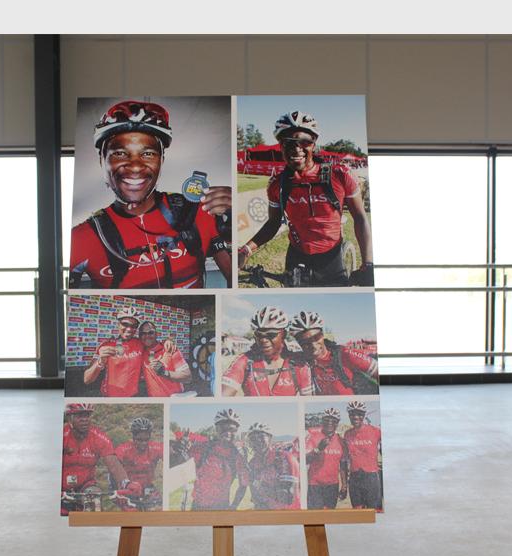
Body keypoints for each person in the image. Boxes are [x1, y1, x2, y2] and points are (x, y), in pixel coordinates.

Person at [70, 100, 232, 289]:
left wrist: (237, 219)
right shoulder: (81, 238)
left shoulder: (199, 211)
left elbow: (234, 274)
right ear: (102, 161)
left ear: (161, 160)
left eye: (148, 154)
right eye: (120, 153)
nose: (135, 166)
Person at [237, 110, 373, 287]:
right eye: (288, 142)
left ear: (314, 143)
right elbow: (273, 223)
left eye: (304, 141)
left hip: (331, 258)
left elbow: (360, 217)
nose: (296, 148)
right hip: (297, 256)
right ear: (280, 145)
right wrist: (246, 250)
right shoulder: (277, 184)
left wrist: (368, 263)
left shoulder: (340, 175)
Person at [61, 403, 137, 515]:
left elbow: (113, 464)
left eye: (87, 416)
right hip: (62, 487)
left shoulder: (97, 437)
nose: (84, 420)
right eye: (79, 416)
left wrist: (126, 483)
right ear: (70, 419)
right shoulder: (62, 435)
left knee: (94, 501)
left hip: (86, 485)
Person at [221, 306, 313, 396]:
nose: (264, 340)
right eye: (259, 335)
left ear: (283, 334)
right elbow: (224, 394)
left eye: (271, 335)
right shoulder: (244, 361)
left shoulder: (299, 364)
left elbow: (308, 401)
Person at [171, 409, 250, 511]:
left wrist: (234, 506)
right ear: (216, 429)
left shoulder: (237, 456)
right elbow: (175, 463)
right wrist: (177, 450)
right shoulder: (203, 448)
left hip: (221, 508)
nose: (228, 433)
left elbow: (243, 485)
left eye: (232, 429)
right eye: (223, 428)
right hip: (198, 507)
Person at [288, 310, 379, 395]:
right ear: (299, 343)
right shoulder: (303, 364)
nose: (313, 344)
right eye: (305, 342)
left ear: (322, 335)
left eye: (316, 337)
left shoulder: (344, 354)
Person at [82, 306, 145, 397]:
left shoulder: (141, 343)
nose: (129, 329)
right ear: (118, 324)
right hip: (110, 396)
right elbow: (87, 380)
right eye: (125, 324)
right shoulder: (106, 345)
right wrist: (100, 362)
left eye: (134, 326)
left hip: (133, 395)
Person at [246, 422, 300, 510]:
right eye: (253, 438)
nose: (257, 441)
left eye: (261, 436)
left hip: (287, 511)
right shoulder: (252, 463)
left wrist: (262, 487)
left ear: (270, 438)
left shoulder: (284, 457)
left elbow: (287, 496)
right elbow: (254, 494)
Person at [113, 417, 164, 510]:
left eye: (146, 439)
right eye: (139, 440)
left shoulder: (155, 447)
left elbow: (170, 454)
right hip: (129, 490)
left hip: (148, 489)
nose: (143, 443)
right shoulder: (124, 449)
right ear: (133, 437)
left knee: (158, 510)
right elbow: (114, 464)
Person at [305, 408, 349, 509]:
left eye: (333, 421)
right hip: (315, 484)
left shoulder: (341, 441)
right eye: (327, 420)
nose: (330, 423)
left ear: (337, 423)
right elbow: (305, 460)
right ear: (322, 421)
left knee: (329, 515)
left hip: (332, 485)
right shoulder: (313, 437)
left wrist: (344, 486)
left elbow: (343, 465)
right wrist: (318, 449)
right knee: (315, 516)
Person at [342, 400, 383, 510]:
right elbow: (344, 459)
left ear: (364, 415)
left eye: (359, 414)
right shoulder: (347, 434)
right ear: (349, 416)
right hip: (354, 478)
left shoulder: (375, 431)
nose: (356, 417)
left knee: (374, 511)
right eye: (352, 414)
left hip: (371, 477)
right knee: (357, 511)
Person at [139, 321, 191, 396]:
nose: (147, 336)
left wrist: (164, 373)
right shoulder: (140, 352)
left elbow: (187, 377)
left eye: (150, 332)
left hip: (173, 399)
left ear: (156, 334)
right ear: (140, 336)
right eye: (143, 333)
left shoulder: (170, 349)